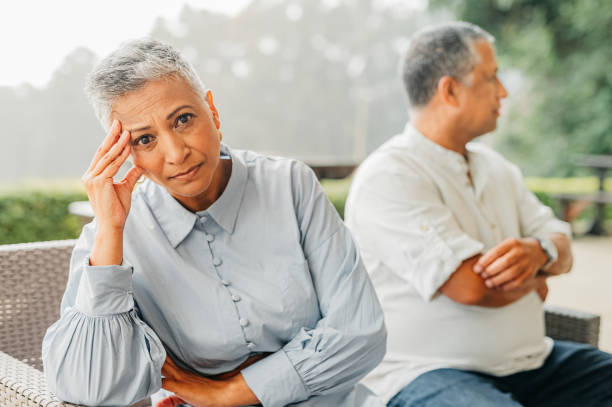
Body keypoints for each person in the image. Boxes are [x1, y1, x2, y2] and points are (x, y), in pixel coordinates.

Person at [42, 38, 387, 407]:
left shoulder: (290, 185)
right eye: (145, 139)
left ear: (213, 112)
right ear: (125, 152)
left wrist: (227, 393)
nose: (176, 153)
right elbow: (84, 387)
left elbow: (361, 334)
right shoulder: (113, 234)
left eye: (184, 119)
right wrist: (111, 232)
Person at [345, 22, 612, 406]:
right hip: (423, 372)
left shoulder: (496, 167)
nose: (503, 92)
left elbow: (560, 241)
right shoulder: (389, 176)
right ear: (450, 90)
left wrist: (540, 253)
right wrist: (542, 269)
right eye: (491, 78)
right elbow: (474, 287)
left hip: (534, 362)